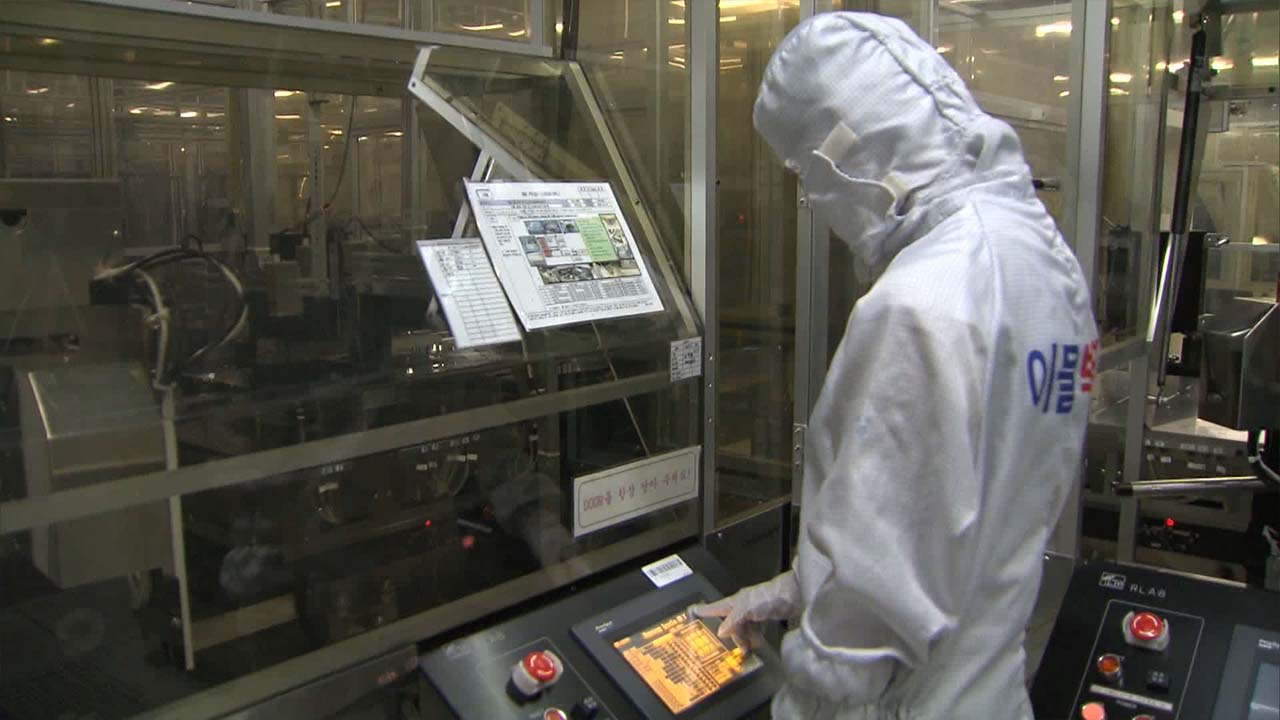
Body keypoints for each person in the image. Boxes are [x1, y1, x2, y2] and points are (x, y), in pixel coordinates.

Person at [694, 12, 1097, 719]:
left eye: (807, 172)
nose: (812, 200)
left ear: (848, 152)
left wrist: (807, 696)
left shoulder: (921, 304)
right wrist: (793, 590)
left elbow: (869, 618)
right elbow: (951, 517)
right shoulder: (1038, 258)